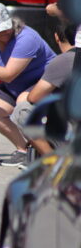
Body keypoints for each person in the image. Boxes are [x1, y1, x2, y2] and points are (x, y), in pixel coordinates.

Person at [0, 4, 55, 168]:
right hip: (15, 85)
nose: (4, 32)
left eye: (6, 27)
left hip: (43, 82)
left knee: (24, 101)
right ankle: (23, 150)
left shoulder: (27, 37)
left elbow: (8, 74)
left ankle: (40, 151)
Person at [19, 19, 77, 156]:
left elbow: (34, 97)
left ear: (56, 37)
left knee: (22, 110)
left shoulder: (63, 61)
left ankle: (52, 159)